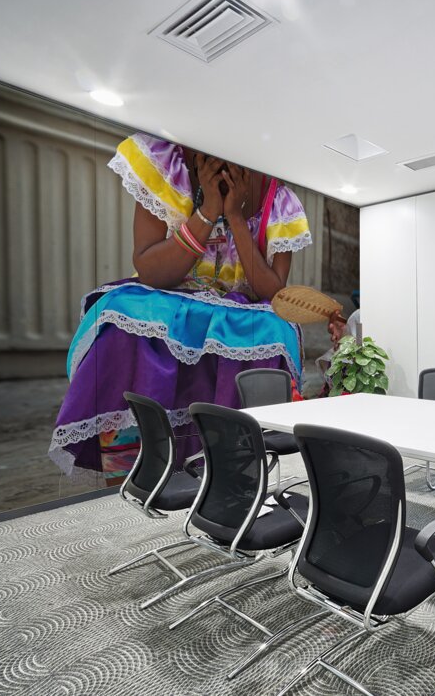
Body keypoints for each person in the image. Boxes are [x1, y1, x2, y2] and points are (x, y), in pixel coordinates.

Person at [49, 133, 311, 483]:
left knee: (275, 329)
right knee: (125, 318)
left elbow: (273, 295)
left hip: (237, 312)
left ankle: (232, 466)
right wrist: (206, 213)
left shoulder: (279, 199)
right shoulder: (164, 165)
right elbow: (153, 272)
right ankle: (134, 464)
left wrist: (234, 215)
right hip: (168, 297)